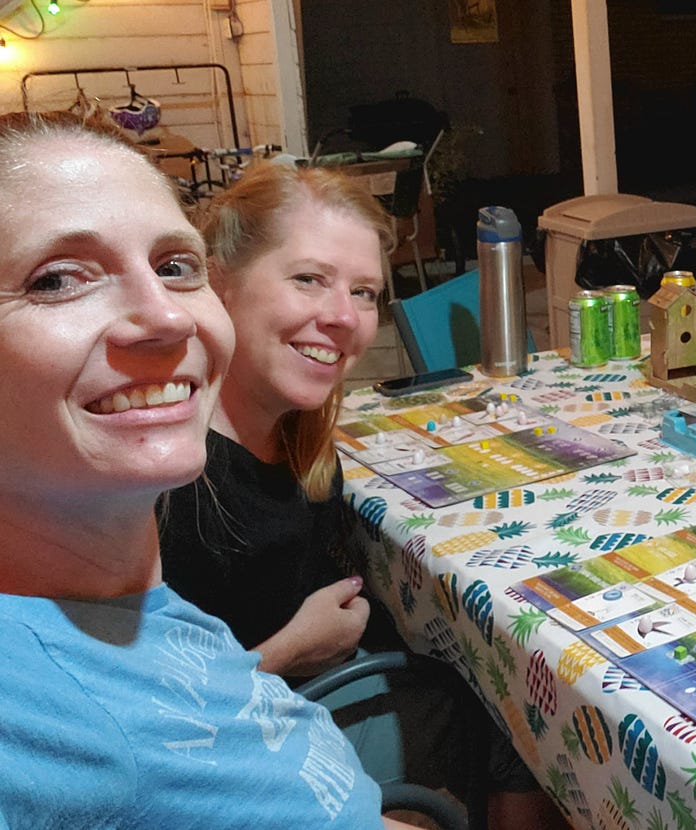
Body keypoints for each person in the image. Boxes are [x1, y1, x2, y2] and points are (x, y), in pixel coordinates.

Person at [0, 111, 417, 827]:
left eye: (173, 267)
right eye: (58, 279)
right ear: (230, 287)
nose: (165, 317)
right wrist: (291, 650)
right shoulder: (49, 716)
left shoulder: (136, 585)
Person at [161, 160, 567, 830]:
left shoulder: (296, 431)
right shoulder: (171, 477)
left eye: (364, 292)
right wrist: (290, 648)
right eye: (308, 279)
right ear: (220, 279)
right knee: (523, 715)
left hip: (320, 687)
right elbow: (147, 720)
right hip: (248, 748)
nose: (343, 317)